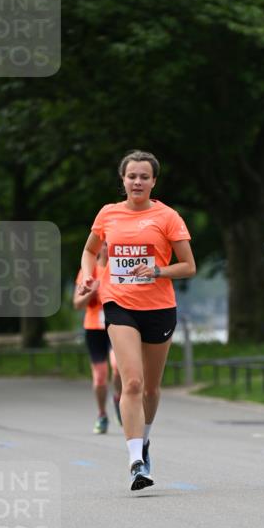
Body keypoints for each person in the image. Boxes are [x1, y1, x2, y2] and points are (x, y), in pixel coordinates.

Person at [79, 151, 196, 490]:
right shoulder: (108, 213)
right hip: (119, 304)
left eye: (144, 176)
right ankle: (135, 462)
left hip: (159, 308)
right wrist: (89, 275)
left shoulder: (167, 216)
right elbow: (89, 251)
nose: (138, 182)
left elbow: (189, 266)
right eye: (132, 176)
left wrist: (158, 270)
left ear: (154, 181)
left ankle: (144, 441)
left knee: (151, 388)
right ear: (123, 179)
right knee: (131, 382)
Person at [73, 243, 122, 434]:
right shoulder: (89, 270)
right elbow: (77, 303)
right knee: (100, 376)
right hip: (94, 327)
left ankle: (119, 398)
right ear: (99, 247)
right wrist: (92, 291)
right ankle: (102, 415)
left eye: (111, 244)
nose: (108, 248)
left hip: (116, 324)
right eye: (104, 244)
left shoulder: (120, 268)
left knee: (117, 366)